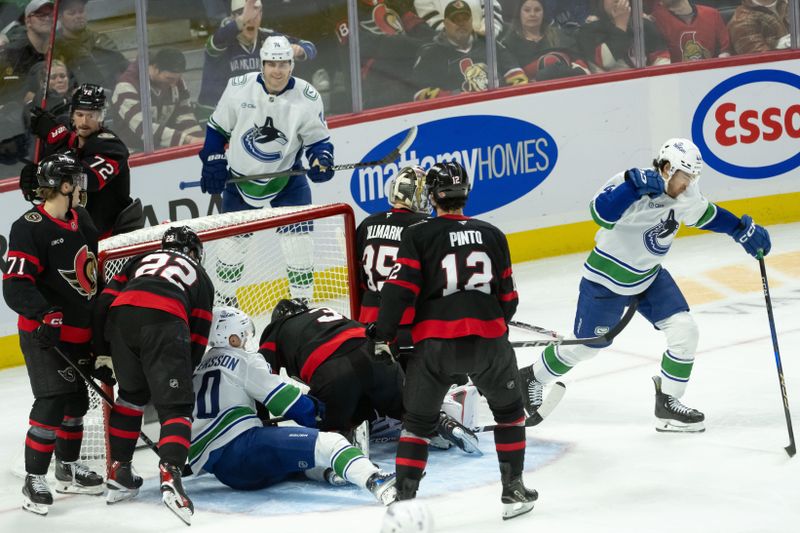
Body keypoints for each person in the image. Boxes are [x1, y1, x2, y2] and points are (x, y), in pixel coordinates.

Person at [517, 138, 772, 433]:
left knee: (685, 329)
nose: (688, 184)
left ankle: (668, 404)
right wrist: (630, 187)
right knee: (587, 347)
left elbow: (705, 213)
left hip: (649, 277)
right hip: (606, 281)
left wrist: (740, 230)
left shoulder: (687, 192)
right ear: (666, 168)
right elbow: (601, 214)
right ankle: (533, 377)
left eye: (693, 178)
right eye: (684, 177)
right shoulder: (632, 183)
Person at [368, 161, 537, 520]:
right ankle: (514, 489)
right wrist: (493, 329)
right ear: (466, 194)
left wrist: (382, 336)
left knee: (417, 423)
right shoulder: (493, 234)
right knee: (509, 414)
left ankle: (404, 502)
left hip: (435, 348)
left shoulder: (418, 234)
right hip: (490, 345)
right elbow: (509, 299)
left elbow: (398, 292)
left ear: (431, 197)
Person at [189, 306, 398, 505]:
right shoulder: (243, 360)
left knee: (291, 460)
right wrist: (315, 410)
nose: (245, 341)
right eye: (242, 335)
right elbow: (283, 401)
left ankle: (330, 472)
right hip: (243, 448)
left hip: (223, 470)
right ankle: (375, 480)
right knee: (331, 443)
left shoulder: (198, 367)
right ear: (232, 338)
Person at [2, 153, 103, 516]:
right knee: (52, 402)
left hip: (80, 333)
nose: (81, 188)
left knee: (76, 404)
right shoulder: (28, 226)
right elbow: (15, 285)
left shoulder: (82, 219)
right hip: (45, 333)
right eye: (76, 181)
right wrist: (45, 313)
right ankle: (34, 477)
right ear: (63, 185)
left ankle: (67, 467)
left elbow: (93, 273)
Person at [92, 226, 215, 525]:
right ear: (192, 252)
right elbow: (197, 338)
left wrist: (101, 350)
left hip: (121, 319)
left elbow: (103, 302)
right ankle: (171, 475)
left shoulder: (140, 259)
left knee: (131, 397)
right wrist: (180, 380)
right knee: (176, 408)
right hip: (165, 317)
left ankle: (119, 472)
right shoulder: (201, 277)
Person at [199, 34, 334, 304]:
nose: (277, 70)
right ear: (262, 64)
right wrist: (213, 160)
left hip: (287, 179)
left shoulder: (307, 97)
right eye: (272, 64)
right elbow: (217, 129)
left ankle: (301, 304)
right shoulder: (239, 87)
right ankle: (225, 301)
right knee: (231, 250)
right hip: (240, 180)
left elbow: (318, 141)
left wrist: (323, 159)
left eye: (283, 63)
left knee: (300, 248)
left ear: (291, 65)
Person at [259, 298, 481, 454]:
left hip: (333, 370)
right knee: (408, 409)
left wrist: (261, 424)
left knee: (324, 429)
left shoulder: (276, 330)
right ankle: (444, 423)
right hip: (377, 355)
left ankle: (347, 436)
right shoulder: (325, 311)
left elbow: (260, 378)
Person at [27, 83, 142, 238]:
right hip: (80, 236)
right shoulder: (70, 142)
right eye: (80, 115)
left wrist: (57, 150)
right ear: (72, 116)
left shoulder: (111, 146)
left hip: (113, 238)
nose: (85, 122)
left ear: (101, 116)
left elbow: (89, 179)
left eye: (91, 115)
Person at [196, 0, 317, 119]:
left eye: (256, 14)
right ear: (234, 17)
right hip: (214, 114)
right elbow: (214, 45)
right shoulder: (223, 38)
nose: (251, 19)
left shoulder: (268, 37)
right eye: (245, 15)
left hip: (252, 114)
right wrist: (241, 20)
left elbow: (310, 47)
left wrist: (300, 50)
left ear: (261, 15)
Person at [355, 165, 429, 325]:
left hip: (367, 317)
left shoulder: (368, 223)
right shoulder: (423, 226)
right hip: (406, 318)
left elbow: (357, 277)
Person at [412, 0, 527, 101]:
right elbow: (418, 92)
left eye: (465, 19)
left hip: (497, 108)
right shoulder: (431, 53)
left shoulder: (490, 45)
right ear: (445, 23)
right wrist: (453, 97)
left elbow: (516, 74)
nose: (461, 24)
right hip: (458, 117)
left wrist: (507, 97)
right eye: (455, 20)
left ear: (471, 21)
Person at [110, 47, 204, 152]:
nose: (174, 83)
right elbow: (144, 129)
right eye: (169, 78)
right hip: (131, 152)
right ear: (154, 68)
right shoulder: (126, 85)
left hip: (165, 148)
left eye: (177, 78)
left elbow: (185, 116)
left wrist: (199, 140)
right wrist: (188, 140)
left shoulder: (177, 82)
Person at [500, 0, 589, 82]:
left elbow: (579, 60)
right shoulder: (509, 44)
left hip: (569, 85)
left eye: (537, 10)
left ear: (543, 13)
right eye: (527, 10)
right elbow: (514, 77)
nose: (532, 14)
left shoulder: (558, 34)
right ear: (519, 13)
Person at [576, 0, 670, 71]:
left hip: (644, 86)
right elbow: (605, 61)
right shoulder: (589, 30)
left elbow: (662, 58)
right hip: (609, 90)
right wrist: (621, 25)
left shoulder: (642, 24)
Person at [52, 0, 127, 89]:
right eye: (72, 13)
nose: (78, 16)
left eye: (81, 11)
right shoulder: (54, 45)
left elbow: (124, 67)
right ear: (60, 17)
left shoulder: (100, 40)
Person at [650, 0, 731, 62]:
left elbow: (726, 50)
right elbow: (659, 59)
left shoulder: (712, 14)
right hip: (676, 80)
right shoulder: (655, 20)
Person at [414, 0, 505, 37]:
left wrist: (487, 31)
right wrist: (468, 37)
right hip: (452, 47)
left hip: (489, 39)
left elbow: (492, 9)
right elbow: (436, 23)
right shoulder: (421, 1)